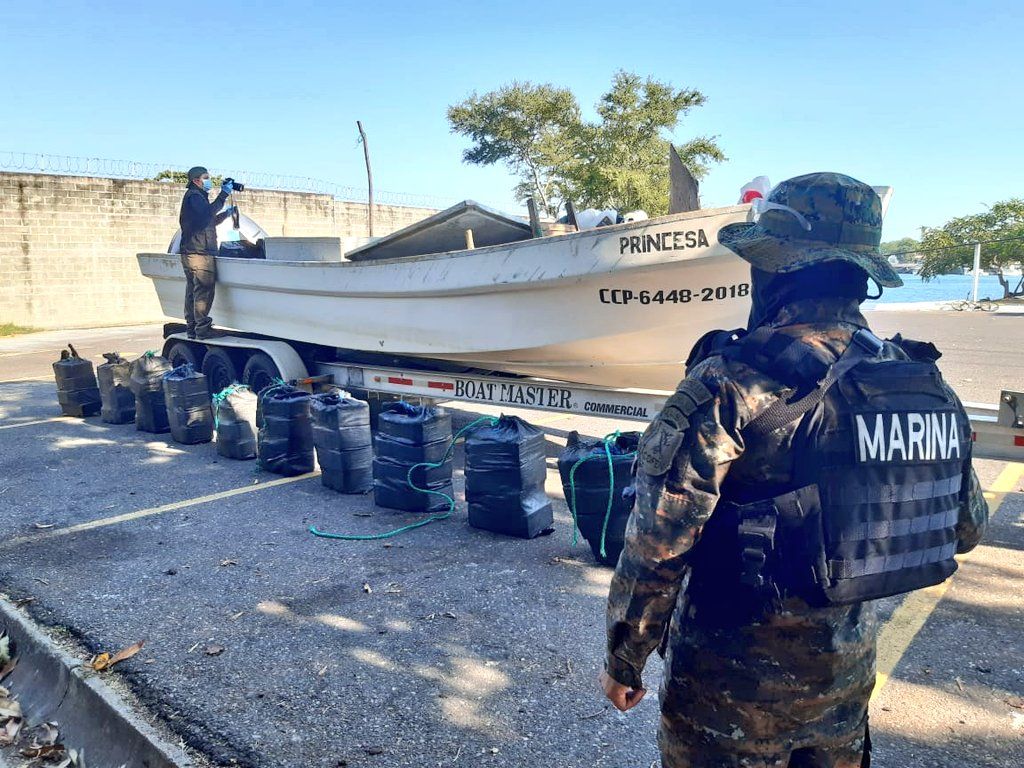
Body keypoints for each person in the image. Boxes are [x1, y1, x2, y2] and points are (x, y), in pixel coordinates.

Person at [601, 172, 988, 767]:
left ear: (774, 269)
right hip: (845, 677)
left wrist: (626, 657)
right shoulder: (918, 380)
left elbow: (659, 541)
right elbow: (964, 527)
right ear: (861, 276)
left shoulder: (732, 381)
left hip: (727, 695)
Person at [178, 167, 236, 339]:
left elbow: (206, 221)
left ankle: (192, 328)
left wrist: (226, 214)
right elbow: (207, 213)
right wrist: (224, 194)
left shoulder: (196, 197)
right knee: (203, 291)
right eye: (206, 177)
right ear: (197, 181)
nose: (209, 180)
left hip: (192, 252)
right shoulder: (195, 196)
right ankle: (202, 329)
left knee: (192, 291)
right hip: (200, 253)